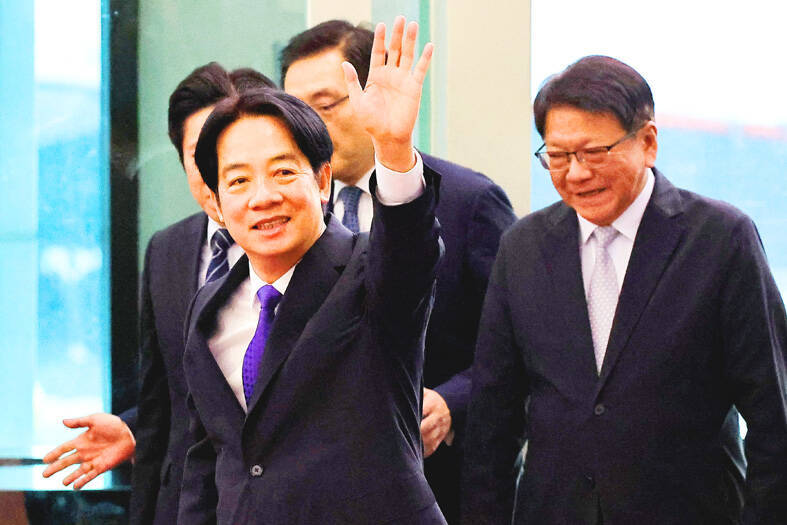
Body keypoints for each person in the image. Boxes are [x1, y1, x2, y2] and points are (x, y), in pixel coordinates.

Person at [461, 55, 787, 524]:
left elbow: (774, 416)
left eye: (594, 153)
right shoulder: (523, 248)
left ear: (648, 142)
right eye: (557, 156)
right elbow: (493, 422)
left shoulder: (719, 239)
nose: (575, 174)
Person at [178, 18, 446, 524]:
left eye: (283, 171)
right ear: (215, 201)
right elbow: (208, 462)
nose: (263, 197)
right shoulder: (208, 307)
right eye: (238, 181)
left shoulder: (368, 274)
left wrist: (392, 148)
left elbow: (410, 250)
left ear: (322, 179)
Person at [280, 20, 516, 522]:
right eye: (296, 112)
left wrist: (451, 404)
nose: (310, 128)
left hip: (435, 483)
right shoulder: (286, 215)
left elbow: (517, 346)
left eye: (325, 105)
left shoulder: (467, 203)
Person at [41, 63, 275, 524]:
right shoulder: (168, 249)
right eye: (200, 156)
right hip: (184, 505)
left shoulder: (321, 251)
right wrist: (133, 431)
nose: (219, 172)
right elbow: (161, 396)